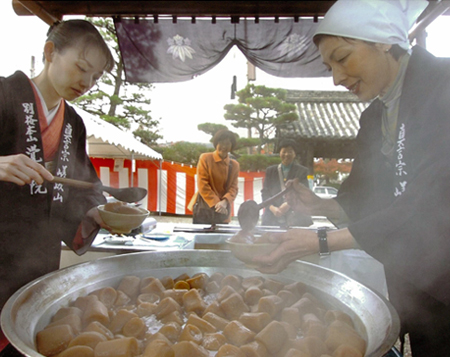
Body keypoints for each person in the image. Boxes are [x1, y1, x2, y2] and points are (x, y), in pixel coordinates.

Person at [253, 0, 450, 355]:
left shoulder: (444, 86)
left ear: (383, 41)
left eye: (343, 58)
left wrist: (322, 241)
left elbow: (434, 200)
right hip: (414, 286)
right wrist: (322, 204)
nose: (337, 78)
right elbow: (367, 201)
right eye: (329, 66)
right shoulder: (374, 117)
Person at [0, 19, 115, 345]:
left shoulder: (73, 124)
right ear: (50, 52)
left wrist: (95, 216)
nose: (87, 82)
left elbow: (82, 188)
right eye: (81, 67)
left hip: (37, 262)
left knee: (23, 339)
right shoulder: (4, 96)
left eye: (96, 76)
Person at [261, 139, 312, 228]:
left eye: (290, 152)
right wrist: (272, 208)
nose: (286, 154)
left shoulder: (302, 171)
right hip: (272, 217)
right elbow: (265, 193)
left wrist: (288, 204)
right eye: (284, 151)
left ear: (295, 154)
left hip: (296, 216)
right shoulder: (271, 171)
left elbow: (304, 192)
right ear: (279, 152)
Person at [192, 129, 240, 224]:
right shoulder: (205, 158)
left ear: (232, 146)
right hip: (205, 209)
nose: (224, 146)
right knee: (201, 238)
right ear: (216, 143)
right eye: (221, 143)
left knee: (221, 237)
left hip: (223, 211)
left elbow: (233, 188)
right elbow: (202, 184)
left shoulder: (234, 165)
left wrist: (225, 202)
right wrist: (218, 204)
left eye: (227, 143)